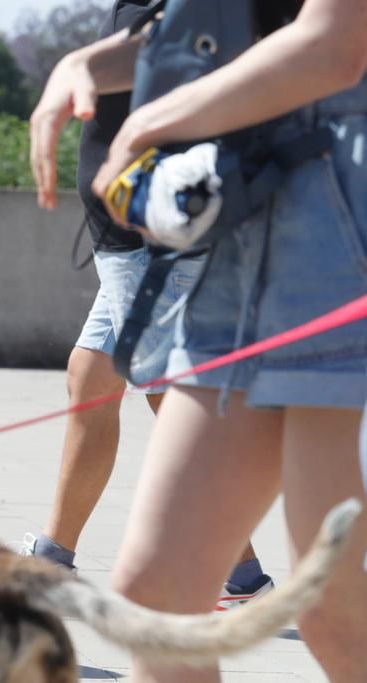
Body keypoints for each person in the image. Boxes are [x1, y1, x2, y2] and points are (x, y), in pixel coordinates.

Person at [31, 0, 367, 680]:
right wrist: (85, 63)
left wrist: (147, 124)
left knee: (334, 608)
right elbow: (214, 30)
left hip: (324, 231)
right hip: (227, 239)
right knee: (157, 596)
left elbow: (335, 44)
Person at [21, 0, 273, 612]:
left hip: (151, 228)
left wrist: (78, 69)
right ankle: (56, 554)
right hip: (129, 230)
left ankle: (223, 563)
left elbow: (182, 51)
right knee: (93, 378)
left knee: (167, 386)